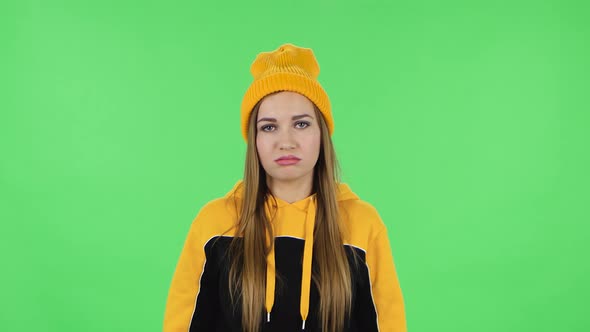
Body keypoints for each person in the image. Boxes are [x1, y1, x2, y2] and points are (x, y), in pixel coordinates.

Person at [163, 43, 407, 332]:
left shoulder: (363, 225)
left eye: (301, 124)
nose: (286, 141)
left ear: (322, 134)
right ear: (254, 139)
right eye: (269, 127)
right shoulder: (216, 224)